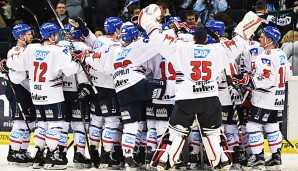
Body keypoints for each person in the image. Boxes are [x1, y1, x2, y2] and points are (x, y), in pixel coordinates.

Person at [138, 4, 262, 170]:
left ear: (193, 38)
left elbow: (157, 39)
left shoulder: (181, 48)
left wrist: (150, 23)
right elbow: (238, 42)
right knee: (213, 135)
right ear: (206, 39)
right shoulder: (217, 50)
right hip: (209, 99)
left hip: (185, 100)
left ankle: (165, 160)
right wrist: (249, 23)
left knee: (175, 133)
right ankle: (221, 161)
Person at [6, 22, 84, 170]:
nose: (58, 37)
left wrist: (7, 64)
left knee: (41, 124)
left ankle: (39, 155)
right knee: (55, 125)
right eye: (57, 34)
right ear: (52, 35)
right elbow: (69, 70)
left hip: (36, 93)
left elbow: (19, 64)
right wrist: (77, 60)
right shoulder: (58, 51)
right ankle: (52, 157)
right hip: (53, 93)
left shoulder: (31, 48)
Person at [234, 26, 292, 170]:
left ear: (269, 39)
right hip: (278, 98)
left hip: (264, 98)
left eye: (262, 36)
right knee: (272, 126)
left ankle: (258, 158)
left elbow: (265, 80)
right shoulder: (281, 54)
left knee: (252, 125)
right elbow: (289, 74)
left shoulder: (265, 56)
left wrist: (247, 81)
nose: (259, 38)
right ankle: (275, 158)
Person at [58, 24, 93, 169]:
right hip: (79, 88)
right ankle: (79, 154)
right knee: (80, 124)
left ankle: (60, 153)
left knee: (63, 124)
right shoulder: (85, 47)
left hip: (61, 90)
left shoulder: (59, 45)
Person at [0, 24, 35, 166]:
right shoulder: (15, 51)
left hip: (28, 91)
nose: (31, 36)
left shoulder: (28, 49)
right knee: (20, 123)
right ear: (21, 36)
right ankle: (13, 152)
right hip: (18, 89)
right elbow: (21, 67)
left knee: (28, 123)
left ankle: (22, 150)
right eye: (28, 34)